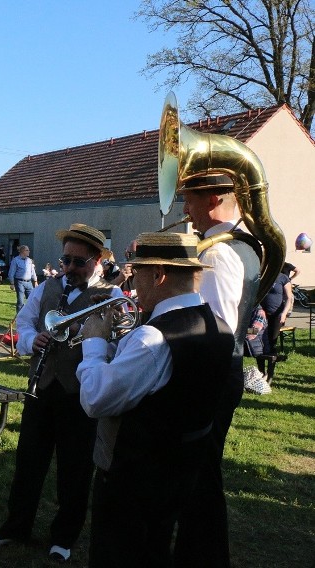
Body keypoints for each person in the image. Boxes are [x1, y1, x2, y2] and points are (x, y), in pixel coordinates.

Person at [75, 232, 234, 567]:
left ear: (159, 275)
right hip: (179, 472)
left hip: (132, 479)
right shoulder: (219, 326)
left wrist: (93, 343)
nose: (132, 283)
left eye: (138, 273)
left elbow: (95, 399)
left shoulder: (154, 336)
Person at [0, 223, 122, 563]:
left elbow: (119, 342)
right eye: (65, 260)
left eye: (78, 262)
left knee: (74, 468)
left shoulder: (112, 295)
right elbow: (24, 321)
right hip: (41, 386)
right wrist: (31, 340)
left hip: (80, 393)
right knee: (28, 462)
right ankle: (16, 525)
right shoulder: (47, 287)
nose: (69, 269)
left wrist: (91, 339)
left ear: (97, 260)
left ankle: (64, 536)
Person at [175, 174, 260, 567]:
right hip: (224, 370)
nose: (185, 210)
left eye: (189, 200)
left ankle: (202, 556)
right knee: (201, 474)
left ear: (211, 200)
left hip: (211, 374)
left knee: (200, 478)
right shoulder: (244, 246)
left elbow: (215, 327)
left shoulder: (218, 252)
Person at [256, 271, 293, 383]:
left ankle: (270, 374)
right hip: (260, 315)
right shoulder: (261, 276)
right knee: (258, 343)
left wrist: (284, 312)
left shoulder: (283, 278)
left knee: (272, 342)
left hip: (276, 316)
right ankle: (261, 372)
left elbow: (289, 298)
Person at [7, 245, 38, 311]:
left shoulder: (29, 260)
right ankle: (19, 318)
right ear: (22, 251)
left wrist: (35, 281)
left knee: (32, 300)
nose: (29, 251)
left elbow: (32, 271)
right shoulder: (15, 260)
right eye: (27, 250)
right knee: (20, 301)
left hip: (29, 283)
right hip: (19, 282)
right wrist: (12, 283)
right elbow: (11, 273)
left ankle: (30, 317)